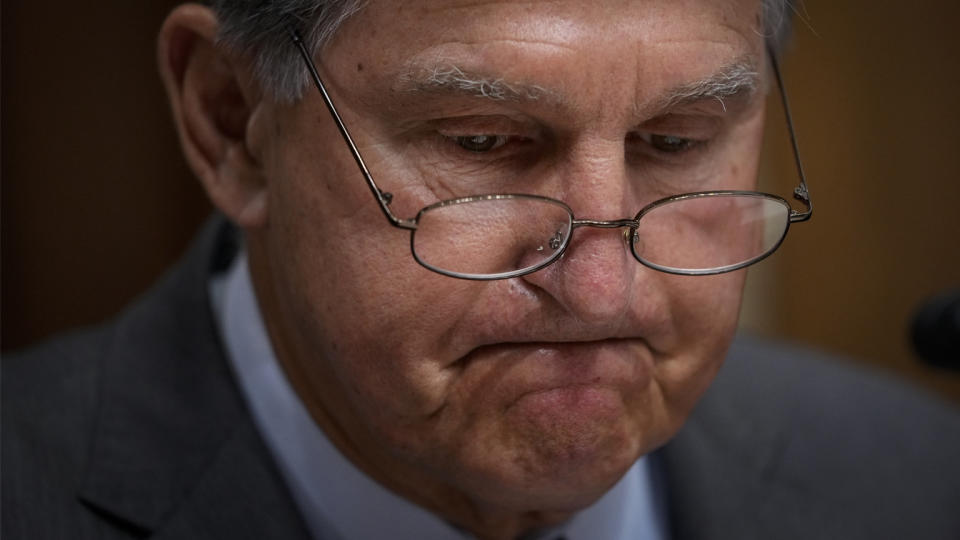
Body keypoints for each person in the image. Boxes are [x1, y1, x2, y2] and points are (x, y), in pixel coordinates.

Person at [3, 1, 958, 539]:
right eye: (486, 145)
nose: (600, 290)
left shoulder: (918, 484)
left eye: (675, 142)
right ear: (231, 122)